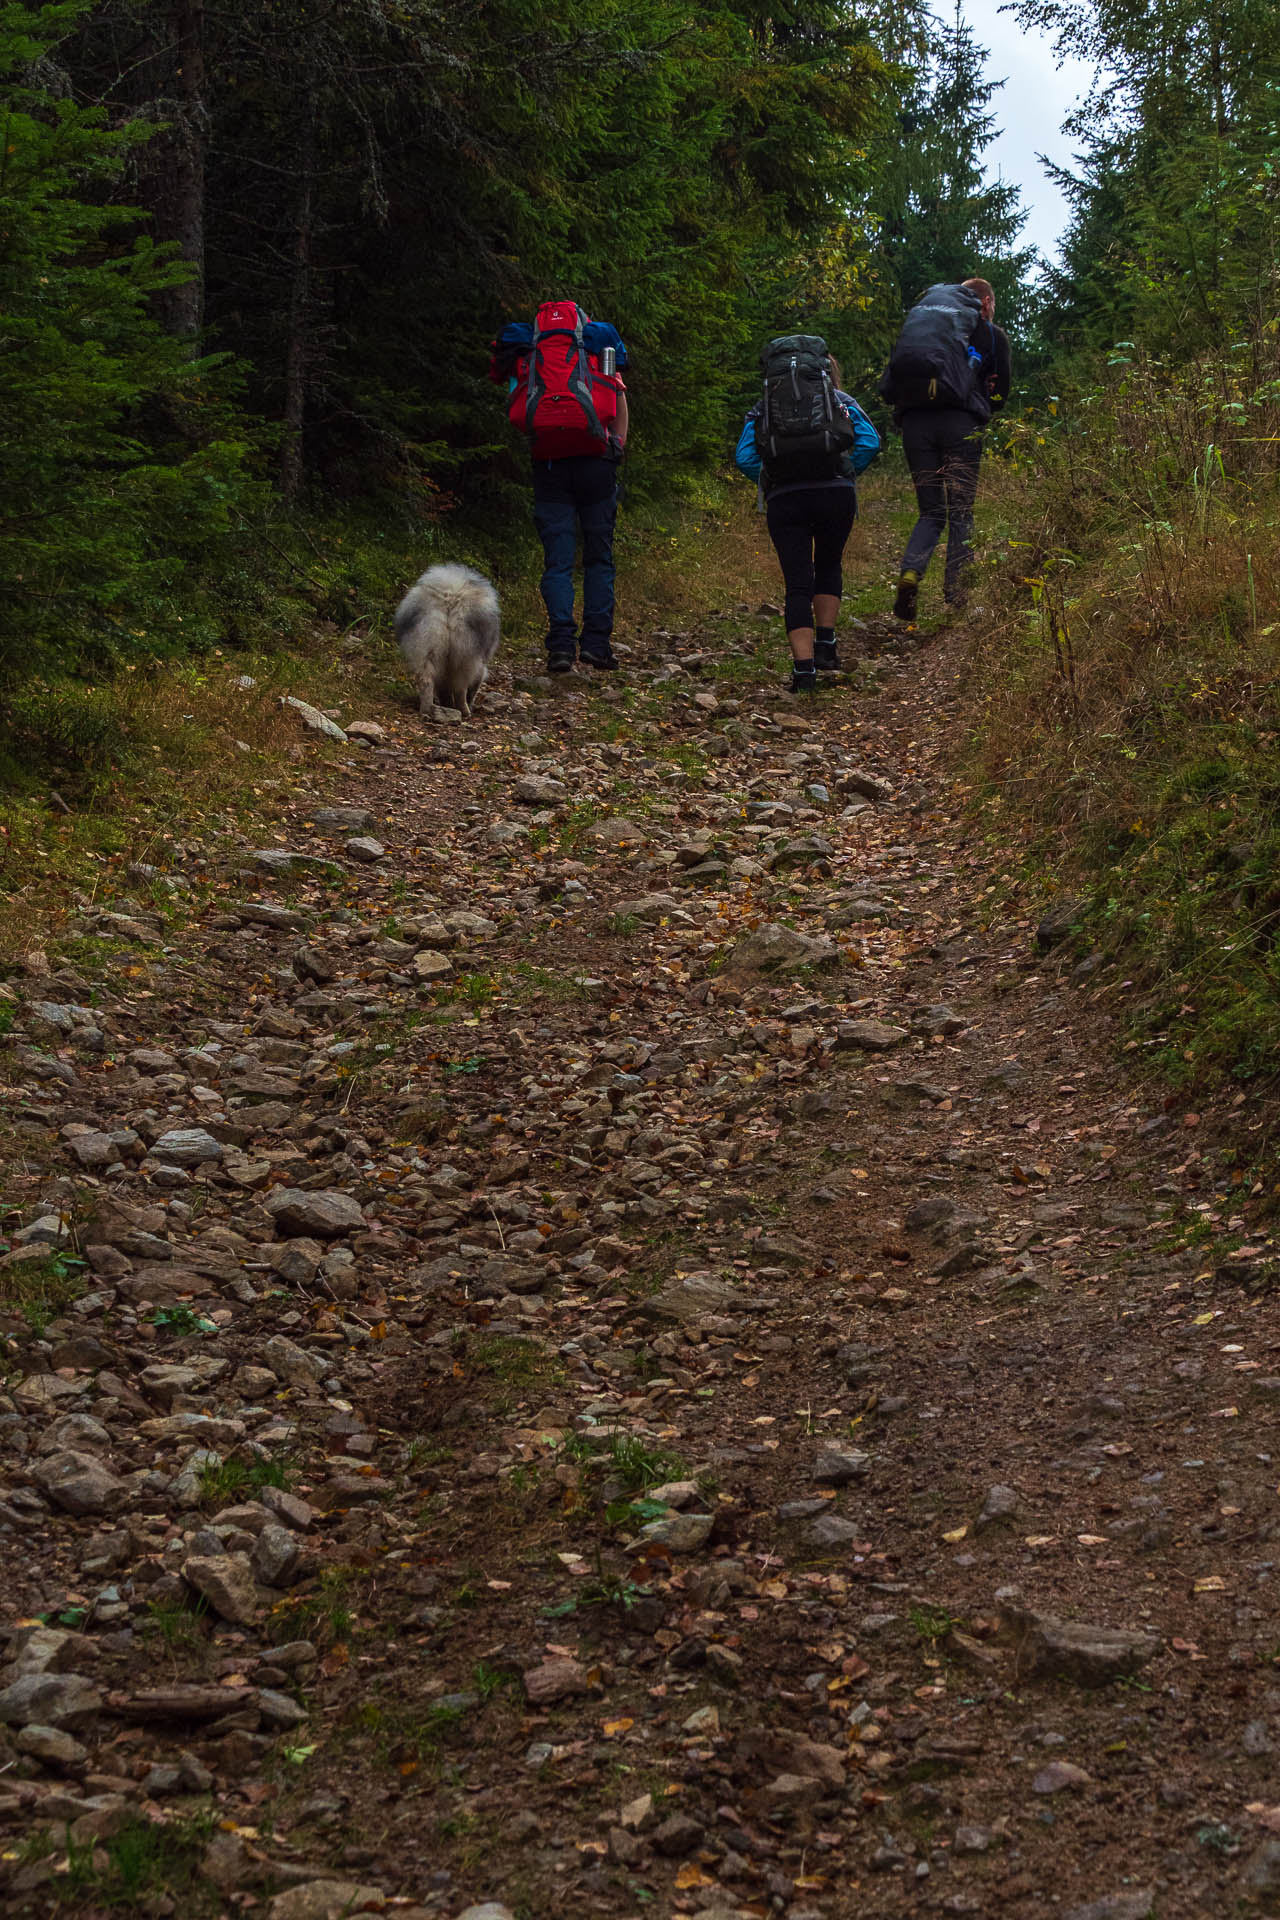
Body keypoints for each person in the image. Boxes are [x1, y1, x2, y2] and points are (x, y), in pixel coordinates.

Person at [489, 302, 628, 673]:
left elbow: (516, 403)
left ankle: (561, 648)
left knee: (558, 563)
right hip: (596, 462)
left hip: (549, 465)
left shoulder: (529, 350)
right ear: (582, 322)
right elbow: (616, 393)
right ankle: (597, 646)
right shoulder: (600, 346)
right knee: (599, 558)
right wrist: (617, 448)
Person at [735, 338, 879, 693]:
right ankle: (826, 648)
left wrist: (773, 479)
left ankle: (803, 673)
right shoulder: (840, 401)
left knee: (797, 583)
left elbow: (744, 457)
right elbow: (869, 440)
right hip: (835, 493)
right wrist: (846, 472)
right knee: (829, 565)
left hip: (786, 498)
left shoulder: (763, 406)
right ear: (826, 372)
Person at [887, 276, 1011, 622]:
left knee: (930, 511)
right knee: (961, 511)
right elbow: (1002, 394)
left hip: (914, 425)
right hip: (960, 425)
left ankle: (911, 573)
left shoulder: (924, 330)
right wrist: (984, 399)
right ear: (985, 303)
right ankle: (958, 594)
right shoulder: (989, 334)